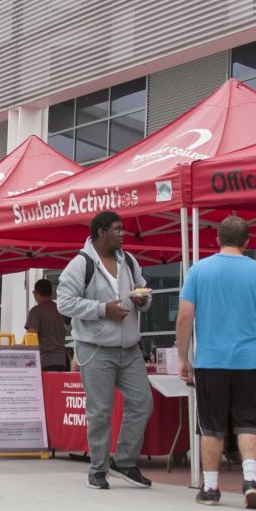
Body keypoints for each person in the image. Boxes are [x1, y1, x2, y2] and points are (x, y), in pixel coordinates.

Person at [175, 215, 256, 508]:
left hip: (211, 360)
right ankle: (250, 479)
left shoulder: (199, 270)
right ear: (247, 242)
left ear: (217, 240)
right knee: (249, 422)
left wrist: (182, 357)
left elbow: (185, 316)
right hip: (250, 360)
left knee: (211, 426)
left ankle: (210, 488)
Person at [56, 210, 154, 490]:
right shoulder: (80, 264)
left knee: (143, 402)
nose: (123, 234)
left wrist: (141, 300)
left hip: (130, 348)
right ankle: (98, 469)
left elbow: (143, 290)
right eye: (117, 230)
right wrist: (102, 310)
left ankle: (124, 460)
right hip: (96, 349)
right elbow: (64, 303)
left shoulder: (129, 260)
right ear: (100, 232)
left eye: (123, 230)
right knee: (100, 411)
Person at [25, 278, 68, 372]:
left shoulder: (36, 311)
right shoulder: (61, 310)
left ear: (36, 293)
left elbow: (31, 337)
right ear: (51, 293)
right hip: (62, 360)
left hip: (44, 360)